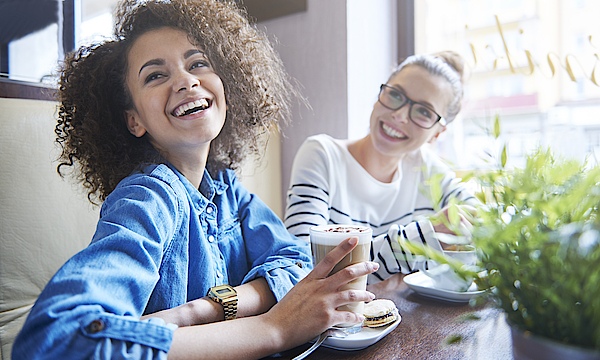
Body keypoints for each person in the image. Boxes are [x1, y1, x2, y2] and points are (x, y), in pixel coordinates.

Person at [11, 1, 379, 359]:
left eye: (198, 63)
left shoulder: (225, 188)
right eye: (156, 75)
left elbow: (298, 264)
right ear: (134, 120)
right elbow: (57, 341)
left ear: (227, 87)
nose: (186, 80)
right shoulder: (147, 197)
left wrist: (202, 312)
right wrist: (274, 329)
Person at [284, 51, 478, 283]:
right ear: (380, 94)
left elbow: (482, 220)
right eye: (396, 95)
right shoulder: (322, 155)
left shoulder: (426, 168)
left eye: (424, 112)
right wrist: (418, 240)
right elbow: (303, 269)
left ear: (437, 133)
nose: (400, 115)